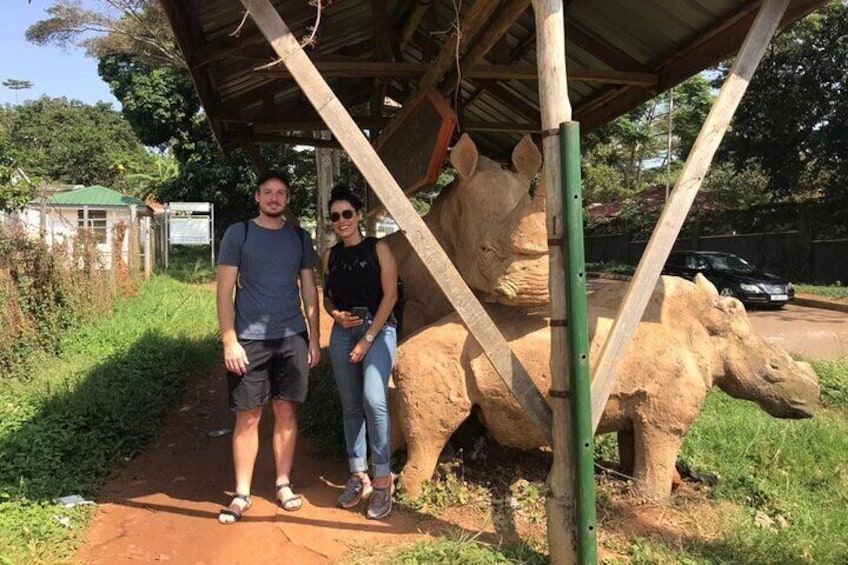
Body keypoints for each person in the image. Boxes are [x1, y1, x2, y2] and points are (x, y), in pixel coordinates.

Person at [215, 171, 320, 524]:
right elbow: (224, 291)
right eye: (268, 193)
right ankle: (242, 493)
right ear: (257, 198)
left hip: (291, 337)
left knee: (287, 411)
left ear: (287, 199)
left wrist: (314, 337)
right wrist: (229, 339)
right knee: (248, 416)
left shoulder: (299, 238)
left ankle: (283, 483)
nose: (274, 198)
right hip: (249, 340)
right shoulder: (238, 234)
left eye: (281, 193)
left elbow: (308, 291)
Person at [322, 185, 399, 520]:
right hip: (342, 331)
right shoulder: (330, 255)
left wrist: (367, 338)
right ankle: (358, 475)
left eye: (347, 214)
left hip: (379, 328)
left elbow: (390, 296)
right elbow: (327, 297)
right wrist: (334, 314)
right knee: (351, 405)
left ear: (358, 216)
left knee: (374, 399)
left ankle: (383, 480)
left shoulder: (378, 248)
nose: (342, 221)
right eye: (335, 216)